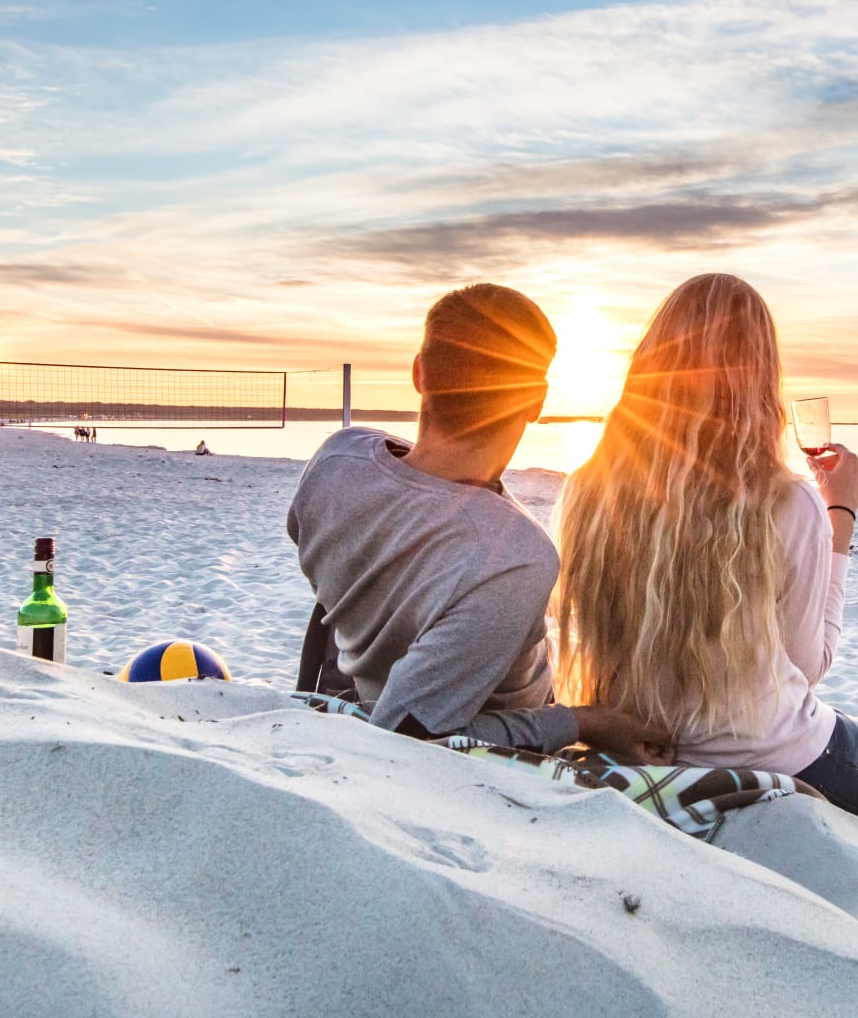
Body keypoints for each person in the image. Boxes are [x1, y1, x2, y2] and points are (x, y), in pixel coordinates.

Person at [553, 273, 858, 818]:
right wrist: (838, 514)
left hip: (634, 751)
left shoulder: (585, 488)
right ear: (759, 380)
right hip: (770, 758)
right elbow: (810, 663)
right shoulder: (787, 502)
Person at [286, 283, 670, 763]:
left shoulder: (336, 459)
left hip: (356, 677)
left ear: (419, 373)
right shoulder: (514, 556)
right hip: (478, 763)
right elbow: (406, 733)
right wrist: (583, 722)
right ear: (535, 402)